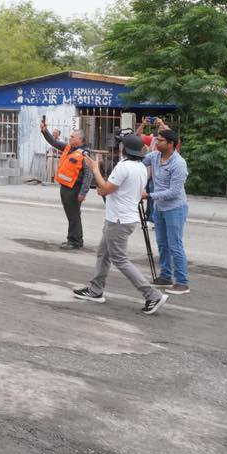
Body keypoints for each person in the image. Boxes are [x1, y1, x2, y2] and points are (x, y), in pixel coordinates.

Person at [72, 135, 169, 315]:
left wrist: (95, 169)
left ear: (124, 150)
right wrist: (106, 189)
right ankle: (95, 290)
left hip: (119, 220)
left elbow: (105, 187)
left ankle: (152, 294)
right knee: (103, 253)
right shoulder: (141, 167)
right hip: (124, 217)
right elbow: (125, 190)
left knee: (119, 259)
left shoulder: (123, 166)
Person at [141, 128, 190, 295]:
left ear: (171, 144)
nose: (156, 142)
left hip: (175, 208)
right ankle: (166, 276)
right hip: (159, 207)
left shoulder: (179, 163)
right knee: (162, 244)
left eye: (160, 140)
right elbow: (139, 163)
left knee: (175, 245)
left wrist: (149, 195)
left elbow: (174, 192)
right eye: (157, 140)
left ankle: (182, 282)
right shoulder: (154, 156)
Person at [41, 118, 96, 250]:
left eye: (72, 137)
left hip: (75, 189)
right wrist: (44, 131)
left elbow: (89, 175)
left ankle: (74, 241)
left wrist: (83, 193)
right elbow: (53, 142)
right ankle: (77, 239)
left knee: (73, 215)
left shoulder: (85, 153)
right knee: (73, 215)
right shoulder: (69, 148)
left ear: (80, 139)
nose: (70, 138)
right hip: (66, 188)